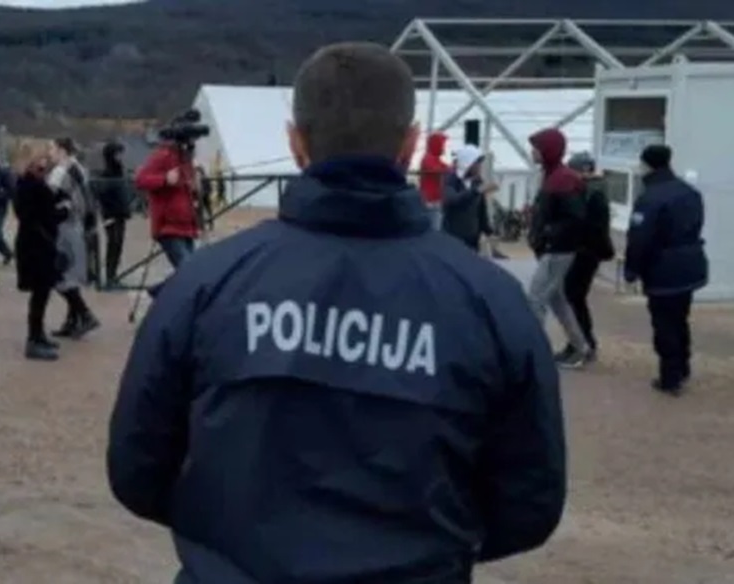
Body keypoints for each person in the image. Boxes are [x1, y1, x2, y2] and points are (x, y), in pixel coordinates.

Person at [108, 42, 565, 584]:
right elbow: (529, 501)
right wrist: (432, 546)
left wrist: (229, 539)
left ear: (295, 142)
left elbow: (138, 468)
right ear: (410, 144)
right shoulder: (490, 300)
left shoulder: (205, 283)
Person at [625, 145, 708, 395]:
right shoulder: (690, 192)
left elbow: (639, 239)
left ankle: (670, 377)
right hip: (690, 265)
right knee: (680, 318)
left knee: (664, 324)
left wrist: (631, 270)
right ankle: (682, 366)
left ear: (646, 165)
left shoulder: (650, 198)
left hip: (663, 271)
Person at [526, 127, 592, 368]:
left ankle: (534, 353)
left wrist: (546, 233)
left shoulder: (562, 179)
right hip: (555, 248)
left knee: (536, 299)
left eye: (536, 148)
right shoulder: (556, 176)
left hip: (557, 250)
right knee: (557, 300)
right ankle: (580, 347)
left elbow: (575, 218)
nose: (532, 152)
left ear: (548, 150)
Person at [560, 152, 614, 361]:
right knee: (574, 297)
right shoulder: (593, 191)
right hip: (586, 251)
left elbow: (590, 226)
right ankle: (580, 341)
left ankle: (582, 342)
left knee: (573, 296)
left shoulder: (590, 193)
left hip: (585, 252)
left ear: (583, 169)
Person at [13, 157, 68, 361]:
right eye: (39, 165)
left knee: (41, 294)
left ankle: (38, 336)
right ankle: (34, 340)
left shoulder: (26, 185)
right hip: (37, 246)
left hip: (34, 244)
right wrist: (65, 209)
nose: (44, 169)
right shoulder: (33, 187)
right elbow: (47, 216)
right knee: (40, 294)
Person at [47, 137, 100, 338]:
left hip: (64, 226)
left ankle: (84, 315)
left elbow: (49, 198)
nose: (49, 153)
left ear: (62, 150)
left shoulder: (60, 172)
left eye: (52, 149)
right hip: (77, 225)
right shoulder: (79, 168)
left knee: (60, 273)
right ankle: (72, 321)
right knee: (70, 273)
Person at [135, 124, 200, 269]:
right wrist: (164, 179)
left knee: (192, 269)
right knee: (187, 269)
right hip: (169, 227)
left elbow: (188, 190)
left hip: (186, 226)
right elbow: (140, 180)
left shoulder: (185, 159)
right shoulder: (163, 155)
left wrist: (195, 186)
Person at [441, 144, 497, 251]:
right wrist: (476, 191)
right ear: (467, 164)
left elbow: (481, 210)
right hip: (453, 238)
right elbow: (452, 200)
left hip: (472, 239)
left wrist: (488, 231)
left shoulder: (477, 181)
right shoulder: (451, 180)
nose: (480, 167)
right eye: (477, 163)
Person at [94, 140, 132, 288]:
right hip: (111, 215)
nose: (120, 157)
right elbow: (102, 195)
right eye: (118, 154)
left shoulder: (120, 171)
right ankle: (110, 277)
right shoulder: (107, 173)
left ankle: (113, 276)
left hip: (121, 214)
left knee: (118, 245)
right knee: (113, 244)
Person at [419, 131, 449, 229]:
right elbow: (436, 170)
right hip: (429, 200)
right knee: (433, 228)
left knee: (436, 226)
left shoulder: (436, 159)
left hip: (435, 199)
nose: (443, 148)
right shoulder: (428, 158)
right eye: (442, 144)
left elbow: (447, 168)